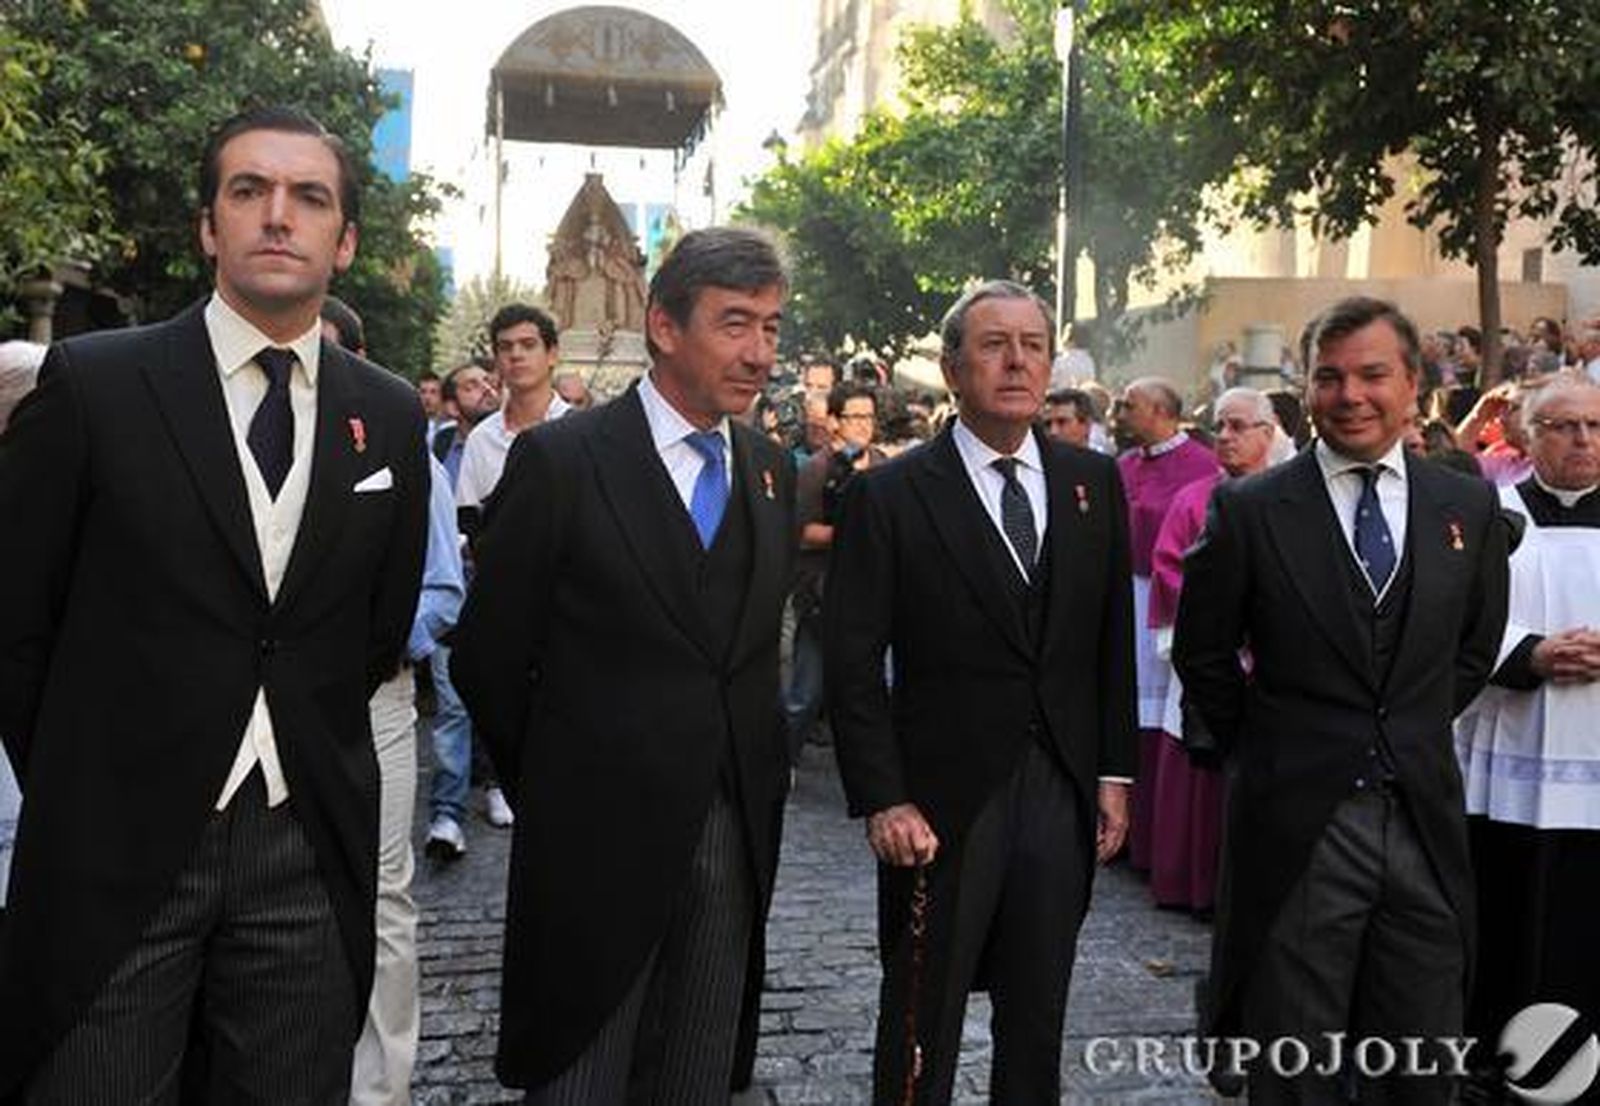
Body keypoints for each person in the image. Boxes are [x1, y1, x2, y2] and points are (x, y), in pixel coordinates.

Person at [0, 105, 430, 1101]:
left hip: (303, 845)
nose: (278, 216)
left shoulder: (390, 415)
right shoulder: (96, 384)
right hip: (118, 846)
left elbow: (373, 624)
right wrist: (93, 779)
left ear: (345, 239)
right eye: (249, 191)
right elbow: (18, 623)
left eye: (309, 197)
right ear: (208, 226)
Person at [449, 227, 795, 1101]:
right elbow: (489, 657)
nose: (759, 353)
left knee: (699, 1065)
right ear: (665, 327)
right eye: (735, 325)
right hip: (591, 841)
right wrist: (563, 785)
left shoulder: (766, 469)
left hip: (730, 832)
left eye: (772, 328)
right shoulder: (564, 461)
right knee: (582, 1070)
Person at [1174, 296, 1509, 1104]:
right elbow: (1204, 654)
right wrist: (1272, 748)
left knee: (1421, 1059)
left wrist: (1407, 730)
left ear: (1414, 385)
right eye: (1329, 377)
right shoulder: (1251, 508)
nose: (1351, 395)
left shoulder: (1464, 507)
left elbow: (1471, 649)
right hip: (1299, 824)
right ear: (1305, 386)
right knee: (1293, 1058)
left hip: (1423, 821)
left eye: (1372, 375)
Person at [826, 280, 1135, 1105]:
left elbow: (1109, 642)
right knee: (923, 1015)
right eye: (995, 344)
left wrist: (1113, 772)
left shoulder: (1090, 483)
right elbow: (852, 662)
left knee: (1038, 1013)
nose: (1017, 361)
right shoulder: (890, 494)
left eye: (1033, 344)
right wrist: (883, 798)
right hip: (942, 800)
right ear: (954, 368)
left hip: (1060, 788)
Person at [318, 296, 465, 1105]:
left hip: (373, 703)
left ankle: (380, 1089)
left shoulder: (402, 447)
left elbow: (441, 590)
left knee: (380, 898)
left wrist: (364, 650)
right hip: (259, 707)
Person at [1454, 374, 1600, 1091]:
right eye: (1564, 426)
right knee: (1514, 904)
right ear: (1524, 434)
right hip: (1514, 749)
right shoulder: (1492, 518)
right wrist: (1530, 653)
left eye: (1595, 427)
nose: (1583, 441)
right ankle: (1501, 1054)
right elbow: (1452, 620)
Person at [1146, 388, 1278, 915]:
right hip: (1211, 652)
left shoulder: (1292, 496)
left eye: (1238, 426)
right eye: (1220, 426)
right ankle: (1199, 884)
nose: (1224, 436)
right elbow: (1170, 567)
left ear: (1269, 435)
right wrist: (1233, 622)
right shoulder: (1194, 499)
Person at [455, 302, 570, 830]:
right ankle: (501, 779)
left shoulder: (583, 432)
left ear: (552, 353)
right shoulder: (481, 441)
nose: (517, 356)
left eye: (528, 345)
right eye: (506, 347)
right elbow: (470, 521)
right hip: (503, 597)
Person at [1115, 376, 1219, 871]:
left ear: (1159, 409)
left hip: (1166, 605)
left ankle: (1156, 840)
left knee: (1160, 718)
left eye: (1129, 405)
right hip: (1124, 595)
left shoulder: (1203, 468)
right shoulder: (1122, 464)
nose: (1119, 412)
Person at [787, 381, 886, 754]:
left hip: (875, 595)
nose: (862, 425)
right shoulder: (816, 469)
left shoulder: (882, 466)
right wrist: (853, 532)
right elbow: (801, 533)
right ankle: (779, 766)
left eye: (868, 417)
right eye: (854, 416)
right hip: (822, 594)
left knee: (878, 689)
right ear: (833, 422)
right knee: (805, 694)